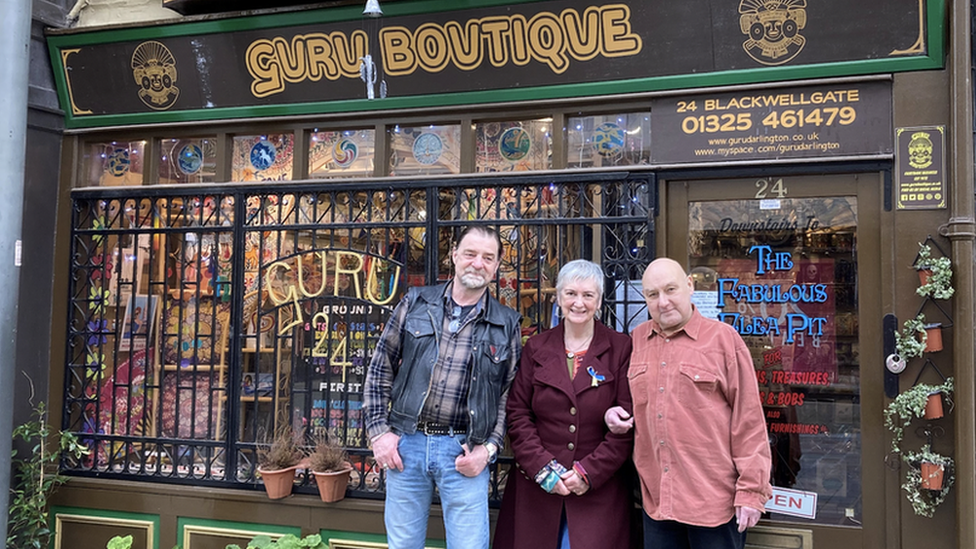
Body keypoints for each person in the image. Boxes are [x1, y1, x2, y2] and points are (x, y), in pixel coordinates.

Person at [363, 226, 522, 549]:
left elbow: (510, 396)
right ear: (454, 255)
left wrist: (488, 450)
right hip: (406, 445)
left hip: (464, 450)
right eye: (471, 254)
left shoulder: (507, 323)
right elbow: (380, 367)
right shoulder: (416, 302)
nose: (478, 263)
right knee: (403, 545)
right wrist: (379, 433)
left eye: (488, 258)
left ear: (496, 267)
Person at [606, 258, 772, 549]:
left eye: (671, 289)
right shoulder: (637, 341)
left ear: (690, 286)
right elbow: (627, 402)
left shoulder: (723, 340)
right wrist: (613, 414)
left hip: (713, 504)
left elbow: (749, 421)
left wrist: (751, 492)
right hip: (657, 502)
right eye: (653, 294)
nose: (663, 302)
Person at [495, 259, 635, 549]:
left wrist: (588, 473)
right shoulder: (536, 347)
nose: (579, 303)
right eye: (570, 294)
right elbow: (518, 414)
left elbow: (628, 423)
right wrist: (543, 469)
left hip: (599, 492)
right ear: (558, 298)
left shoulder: (620, 348)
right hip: (538, 489)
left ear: (599, 300)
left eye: (588, 295)